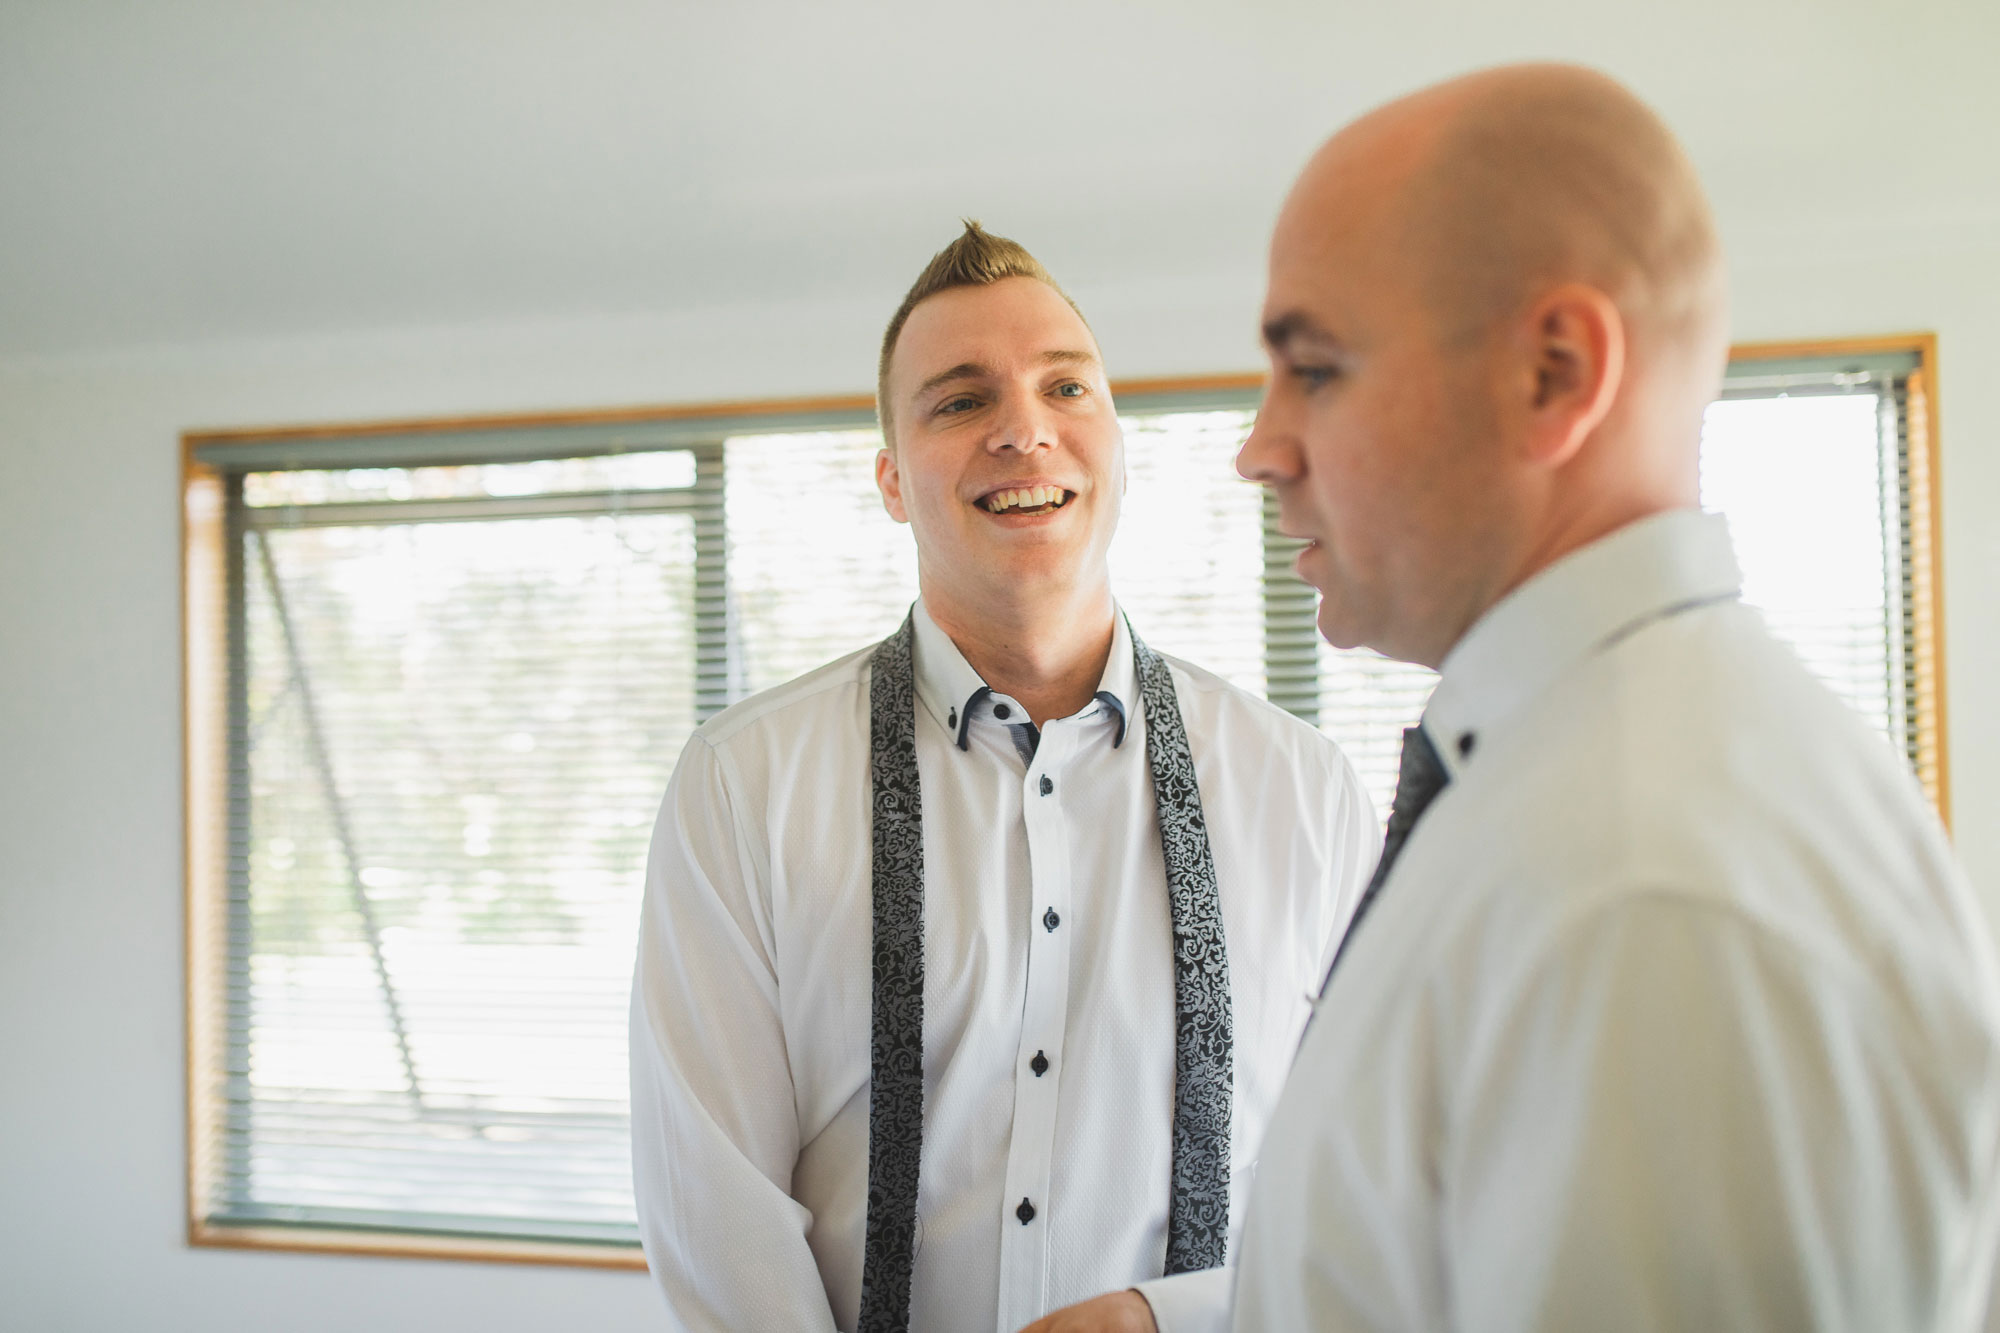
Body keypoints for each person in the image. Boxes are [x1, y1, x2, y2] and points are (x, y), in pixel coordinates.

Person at [1211, 62, 2000, 1330]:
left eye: (1313, 368)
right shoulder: (1567, 792)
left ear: (1554, 373)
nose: (1258, 446)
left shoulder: (1646, 885)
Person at [629, 222, 1377, 1333]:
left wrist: (1162, 1321)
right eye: (960, 400)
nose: (1024, 430)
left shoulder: (1303, 792)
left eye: (1064, 387)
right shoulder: (743, 787)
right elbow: (714, 1210)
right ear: (890, 480)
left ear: (1115, 441)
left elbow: (1375, 1202)